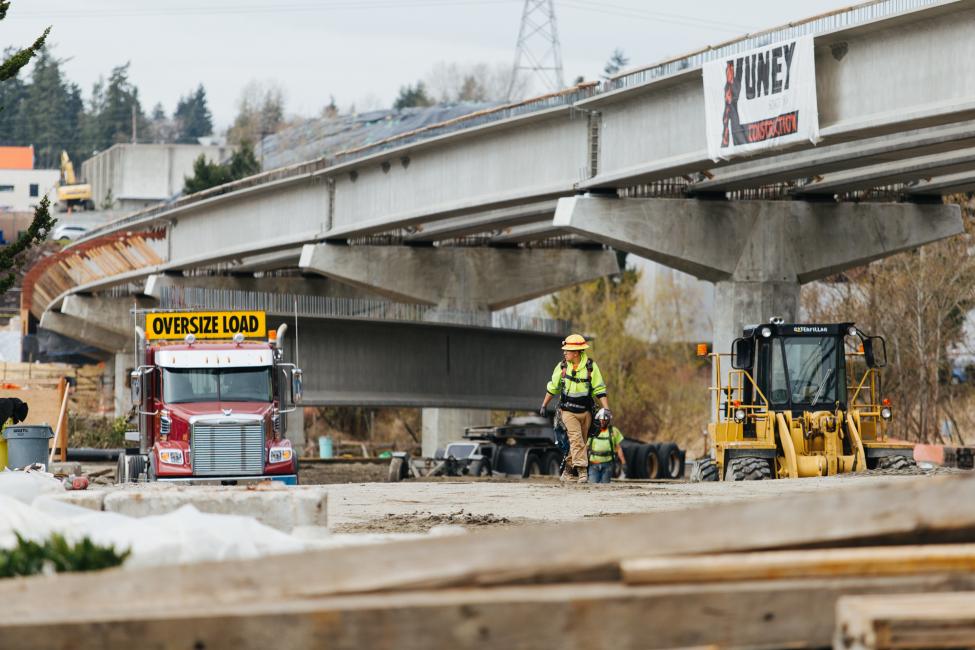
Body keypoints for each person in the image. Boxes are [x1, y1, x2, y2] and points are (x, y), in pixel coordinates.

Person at [539, 334, 609, 484]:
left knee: (580, 443)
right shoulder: (562, 367)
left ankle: (568, 471)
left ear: (576, 352)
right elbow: (553, 387)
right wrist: (544, 405)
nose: (564, 352)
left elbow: (600, 390)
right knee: (576, 439)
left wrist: (606, 409)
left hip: (586, 412)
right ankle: (583, 471)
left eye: (567, 350)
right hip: (567, 411)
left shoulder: (591, 367)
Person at [588, 408, 626, 484]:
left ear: (608, 420)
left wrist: (624, 463)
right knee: (592, 488)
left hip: (608, 465)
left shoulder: (614, 431)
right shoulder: (592, 431)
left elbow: (618, 448)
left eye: (605, 420)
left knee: (605, 488)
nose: (602, 421)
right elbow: (585, 447)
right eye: (601, 419)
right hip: (593, 464)